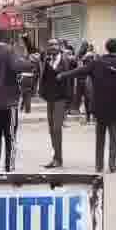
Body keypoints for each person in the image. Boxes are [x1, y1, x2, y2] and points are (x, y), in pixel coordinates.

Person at [58, 38, 116, 173]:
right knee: (114, 138)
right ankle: (112, 164)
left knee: (100, 137)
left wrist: (63, 75)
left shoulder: (97, 63)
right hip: (115, 107)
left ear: (107, 48)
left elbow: (79, 71)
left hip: (99, 107)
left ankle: (99, 166)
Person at [0, 31, 36, 172]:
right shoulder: (9, 51)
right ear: (6, 40)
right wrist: (31, 62)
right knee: (10, 138)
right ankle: (9, 169)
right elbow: (19, 67)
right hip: (8, 102)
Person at [39, 39, 73, 169]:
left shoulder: (66, 60)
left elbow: (70, 80)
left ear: (59, 47)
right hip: (50, 99)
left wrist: (70, 102)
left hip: (61, 99)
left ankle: (58, 159)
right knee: (51, 130)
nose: (52, 47)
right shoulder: (47, 60)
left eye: (55, 44)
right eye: (50, 45)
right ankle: (55, 157)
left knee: (56, 129)